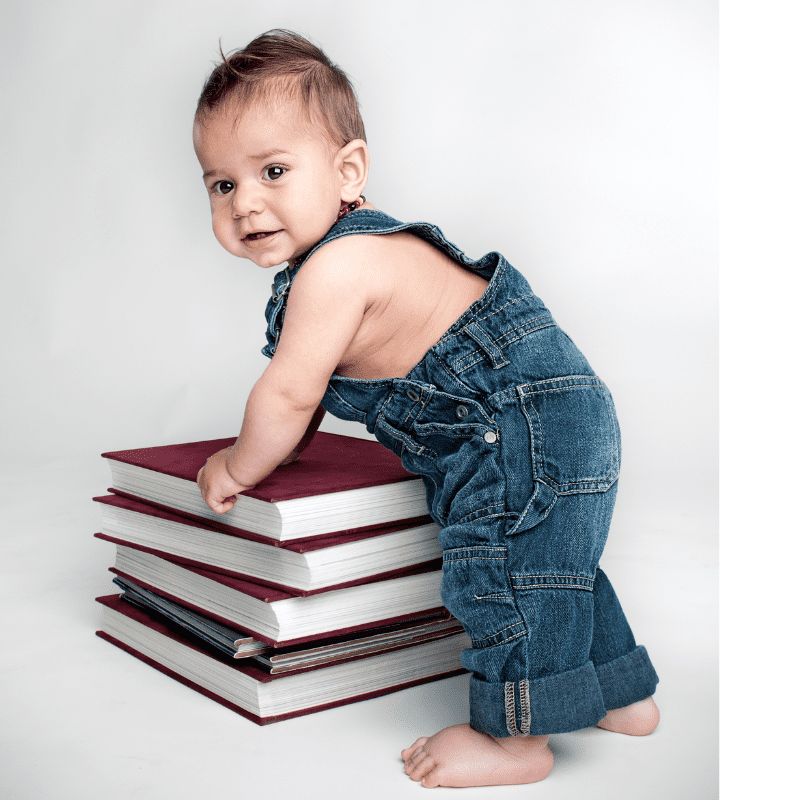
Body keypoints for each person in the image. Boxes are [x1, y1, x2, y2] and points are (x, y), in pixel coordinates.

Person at [193, 29, 660, 789]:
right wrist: (290, 438)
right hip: (557, 413)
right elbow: (307, 385)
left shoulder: (337, 268)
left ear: (349, 172)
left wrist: (239, 464)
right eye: (222, 184)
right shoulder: (352, 254)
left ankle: (516, 741)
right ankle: (621, 695)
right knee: (555, 566)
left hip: (511, 428)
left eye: (274, 170)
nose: (246, 202)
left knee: (498, 571)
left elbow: (288, 391)